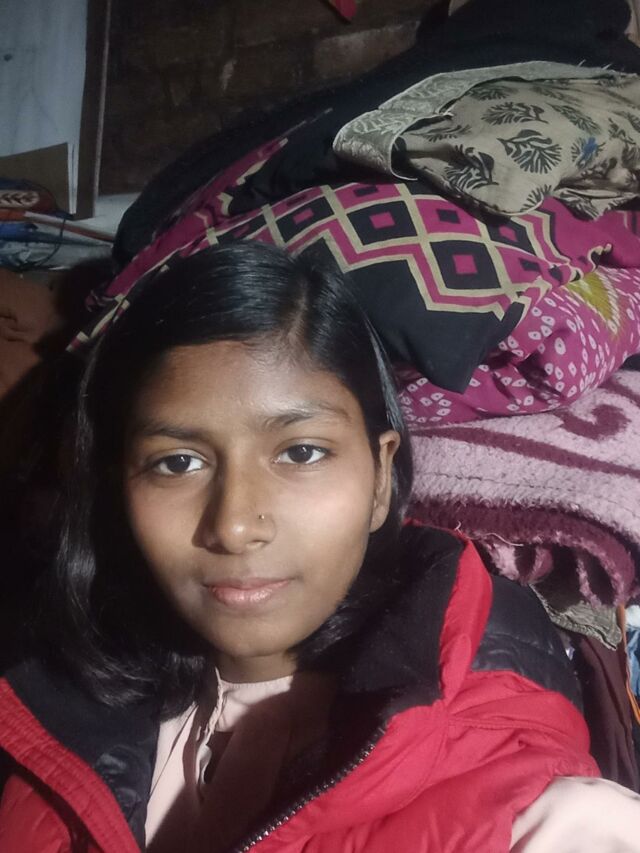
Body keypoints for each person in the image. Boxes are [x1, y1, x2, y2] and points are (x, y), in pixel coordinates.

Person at [0, 242, 636, 852]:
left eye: (301, 452)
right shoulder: (49, 702)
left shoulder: (552, 820)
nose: (235, 526)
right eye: (177, 462)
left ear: (380, 477)